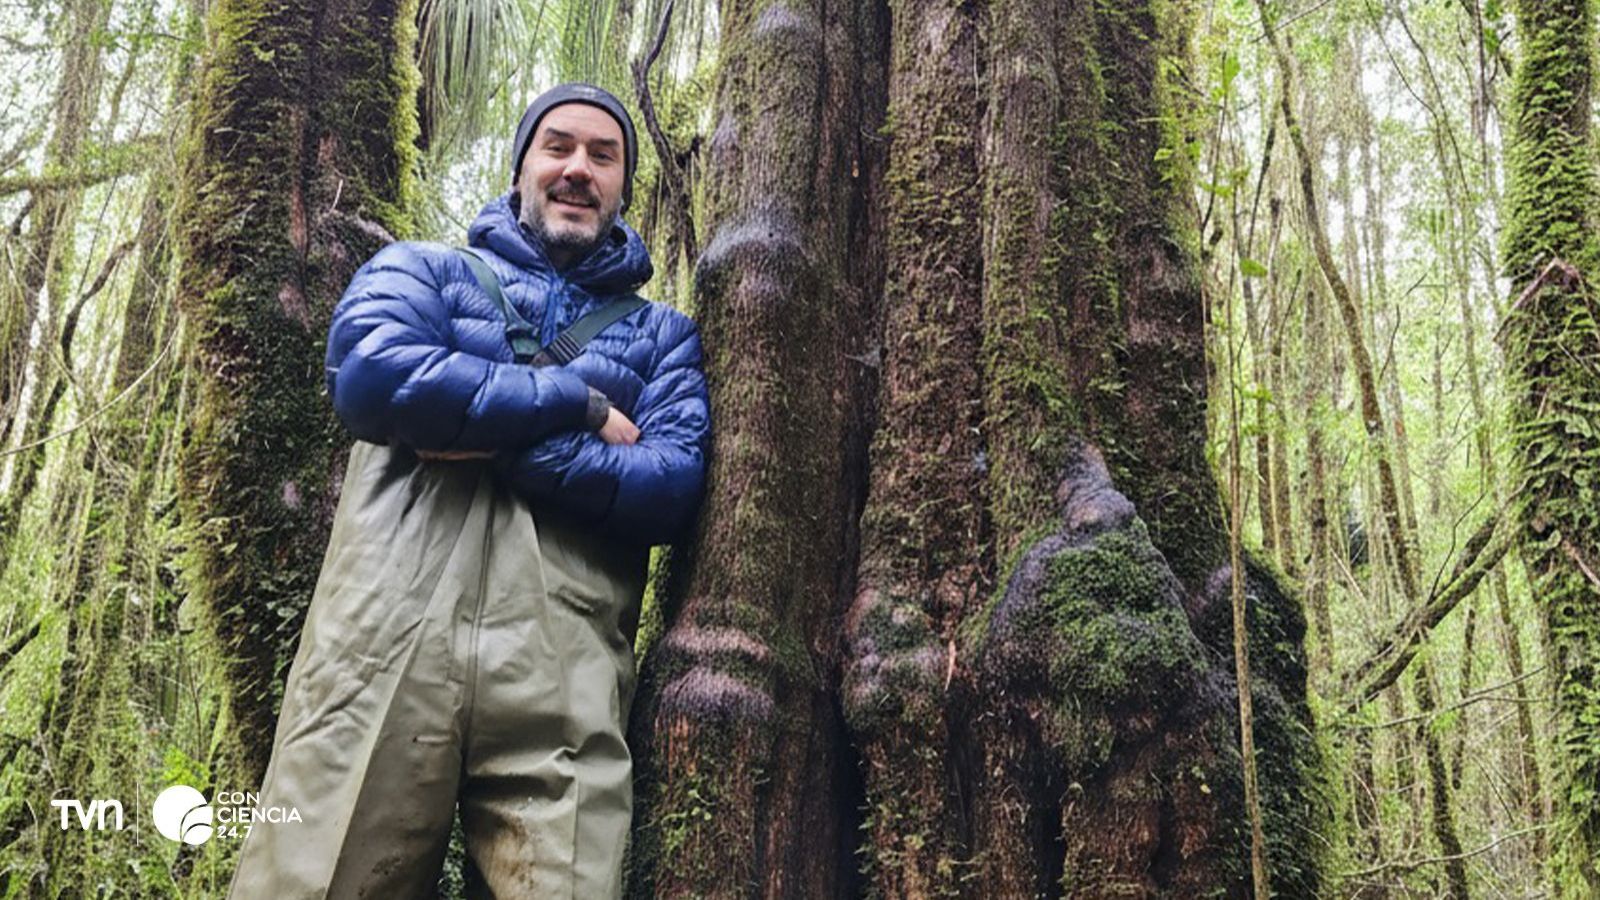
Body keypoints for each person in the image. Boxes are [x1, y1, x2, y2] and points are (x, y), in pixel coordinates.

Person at [227, 82, 710, 899]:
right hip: (377, 654)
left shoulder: (663, 338)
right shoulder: (424, 270)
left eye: (603, 156)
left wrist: (481, 435)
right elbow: (374, 376)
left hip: (564, 683)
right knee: (315, 879)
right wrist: (578, 405)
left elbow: (668, 485)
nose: (578, 168)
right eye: (557, 146)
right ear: (521, 167)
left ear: (625, 187)